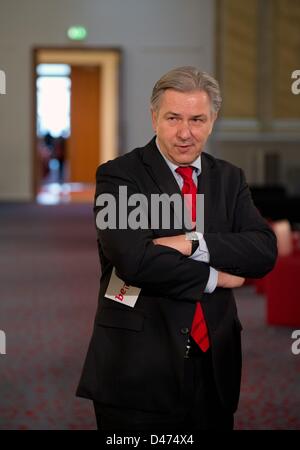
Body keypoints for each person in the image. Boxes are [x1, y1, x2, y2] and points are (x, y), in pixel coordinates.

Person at [76, 66, 277, 430]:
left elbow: (263, 250)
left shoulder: (229, 178)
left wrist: (191, 243)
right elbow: (134, 261)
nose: (186, 133)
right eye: (173, 118)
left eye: (198, 119)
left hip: (215, 360)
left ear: (213, 121)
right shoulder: (120, 175)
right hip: (139, 365)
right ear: (154, 118)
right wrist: (217, 277)